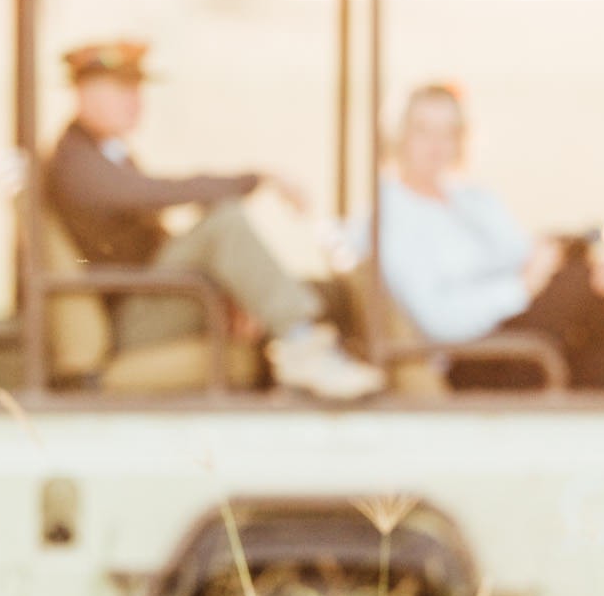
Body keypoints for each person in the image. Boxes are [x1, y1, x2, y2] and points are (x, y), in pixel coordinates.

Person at [44, 39, 382, 400]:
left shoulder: (105, 155)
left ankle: (329, 349)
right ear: (84, 93)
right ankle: (303, 346)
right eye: (122, 89)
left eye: (138, 89)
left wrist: (228, 286)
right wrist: (256, 179)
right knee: (223, 224)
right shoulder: (76, 164)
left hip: (150, 297)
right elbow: (157, 193)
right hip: (130, 316)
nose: (136, 101)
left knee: (322, 292)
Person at [365, 82, 604, 390]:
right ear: (398, 135)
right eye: (423, 130)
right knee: (579, 284)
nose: (436, 144)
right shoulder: (392, 217)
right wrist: (522, 287)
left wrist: (556, 260)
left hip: (513, 332)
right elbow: (441, 321)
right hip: (471, 356)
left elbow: (518, 254)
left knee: (592, 290)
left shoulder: (471, 199)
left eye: (448, 132)